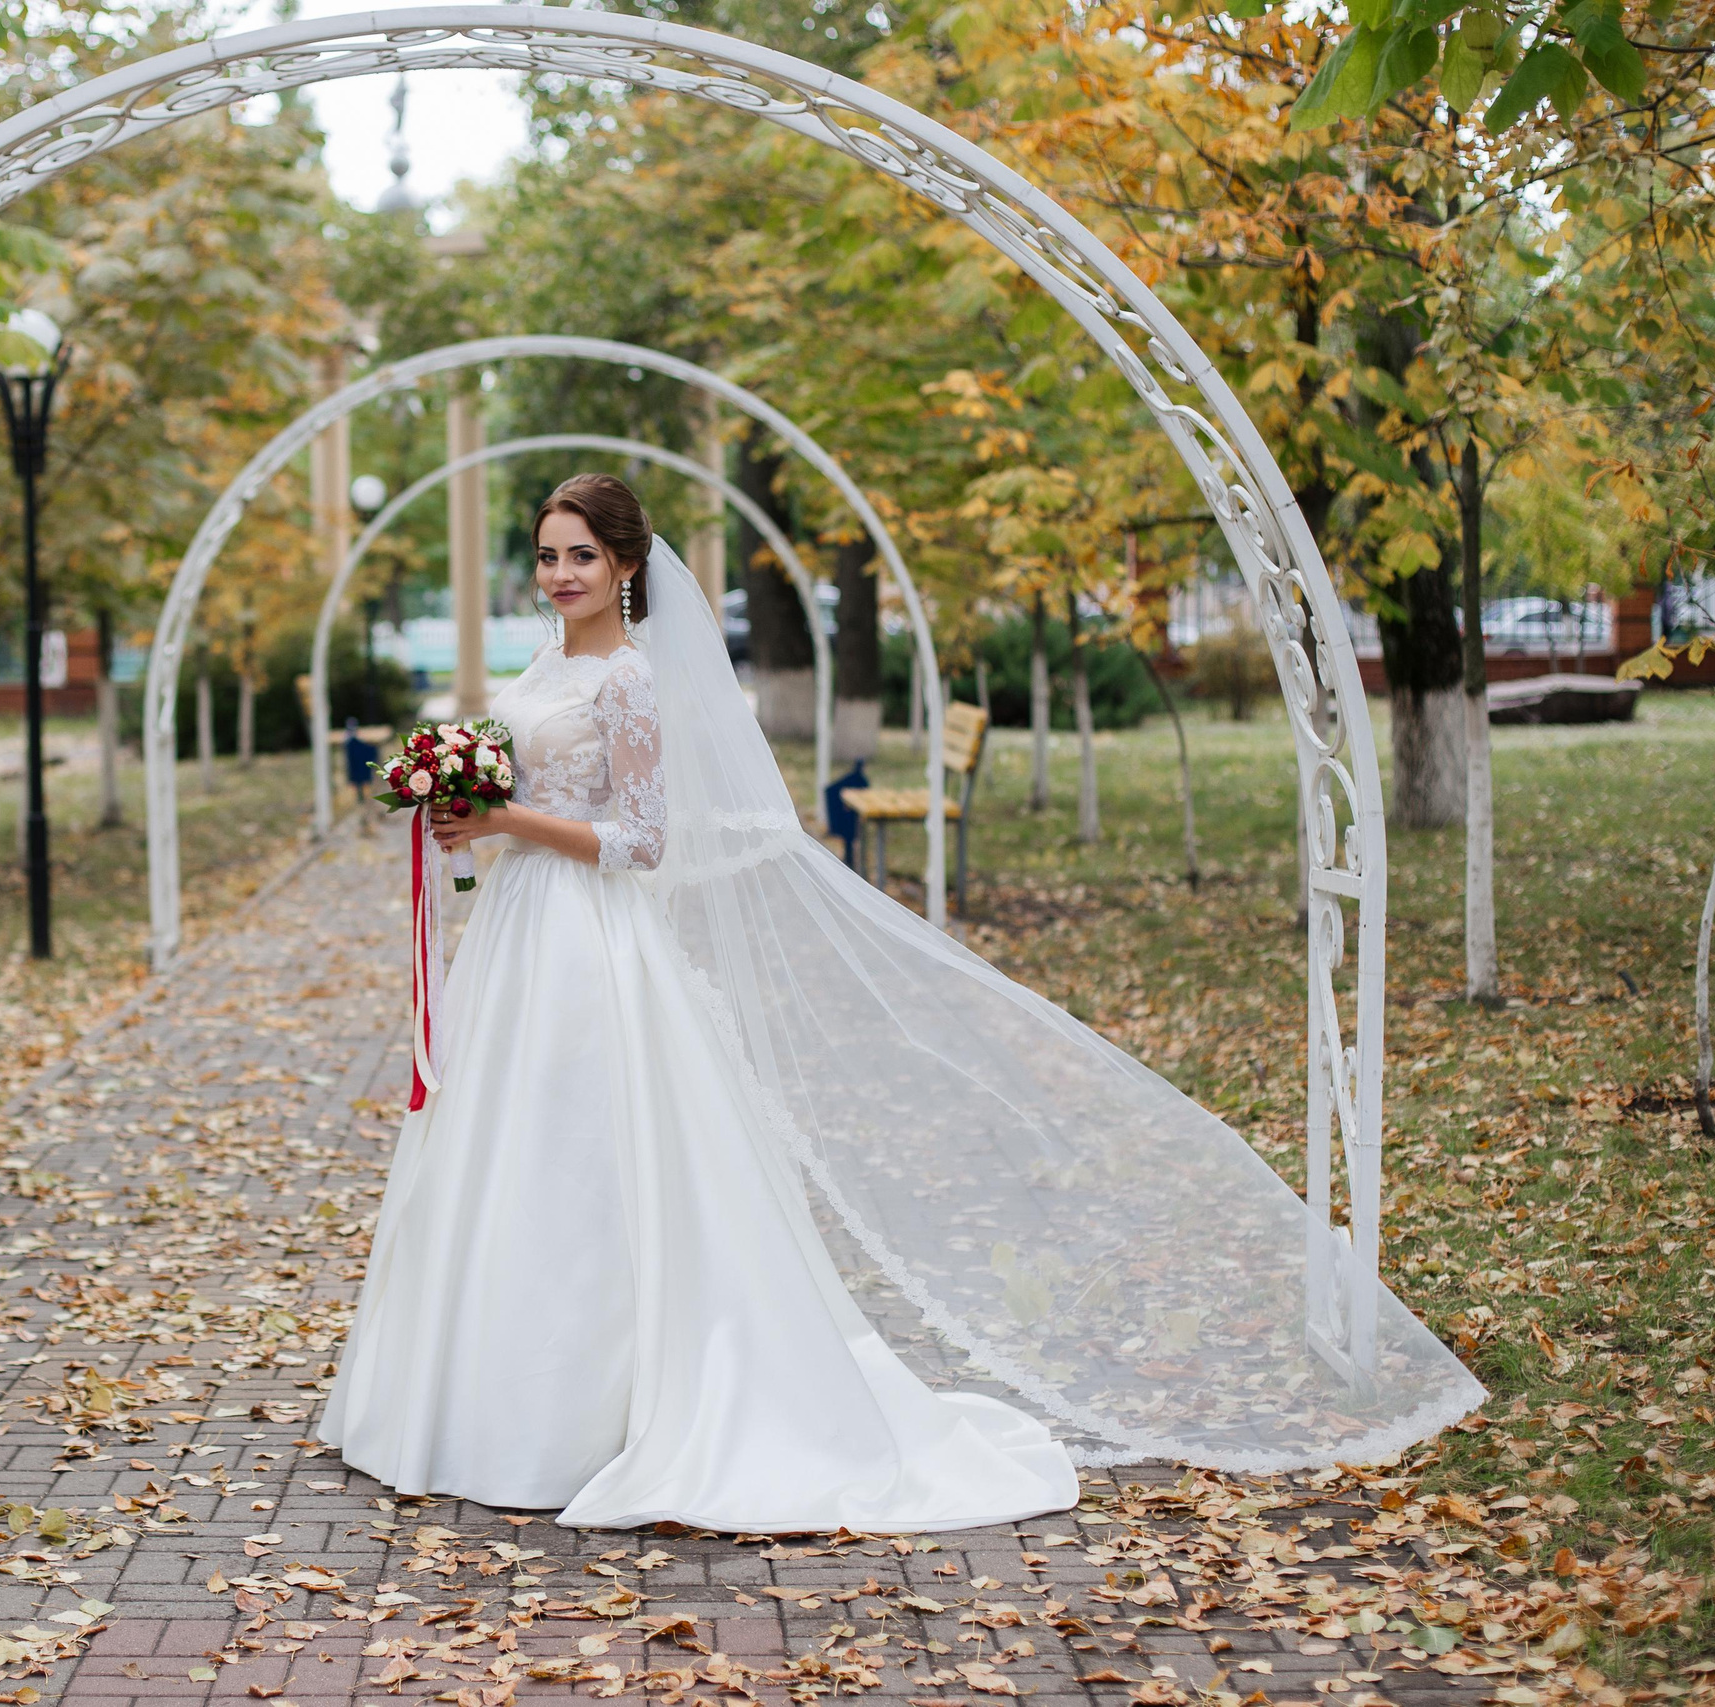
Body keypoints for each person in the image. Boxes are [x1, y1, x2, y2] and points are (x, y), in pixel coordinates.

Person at [319, 474, 1482, 1532]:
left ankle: (593, 1418)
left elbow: (645, 838)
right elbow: (535, 789)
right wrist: (467, 810)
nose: (560, 573)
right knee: (509, 1152)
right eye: (547, 554)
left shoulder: (628, 678)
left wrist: (507, 820)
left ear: (626, 565)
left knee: (590, 1157)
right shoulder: (544, 668)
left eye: (580, 554)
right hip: (520, 933)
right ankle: (475, 1399)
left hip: (593, 947)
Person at [342, 716, 379, 816]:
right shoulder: (351, 741)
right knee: (361, 793)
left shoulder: (349, 741)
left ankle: (365, 811)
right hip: (357, 770)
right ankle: (364, 811)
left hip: (357, 770)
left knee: (363, 793)